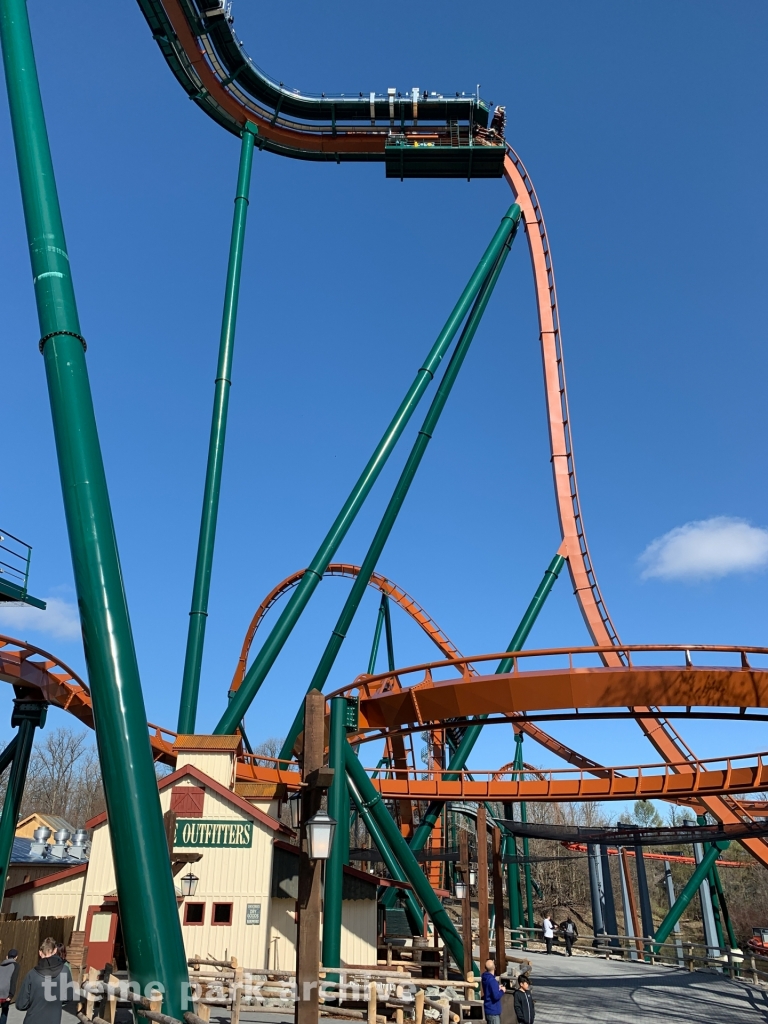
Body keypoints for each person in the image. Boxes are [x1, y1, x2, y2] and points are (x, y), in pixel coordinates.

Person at [15, 937, 73, 1024]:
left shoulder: (32, 974)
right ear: (55, 950)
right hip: (54, 1020)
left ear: (40, 953)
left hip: (32, 1019)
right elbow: (68, 997)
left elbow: (21, 1004)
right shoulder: (65, 971)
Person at [480, 959, 505, 1024]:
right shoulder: (492, 981)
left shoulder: (485, 977)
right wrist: (502, 991)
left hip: (488, 1009)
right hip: (493, 1011)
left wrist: (497, 988)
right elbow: (496, 996)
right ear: (494, 967)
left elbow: (490, 990)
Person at [0, 949, 19, 1024]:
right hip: (6, 991)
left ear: (7, 957)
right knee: (4, 1010)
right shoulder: (16, 966)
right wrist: (11, 994)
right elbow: (13, 980)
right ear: (16, 957)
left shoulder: (1, 965)